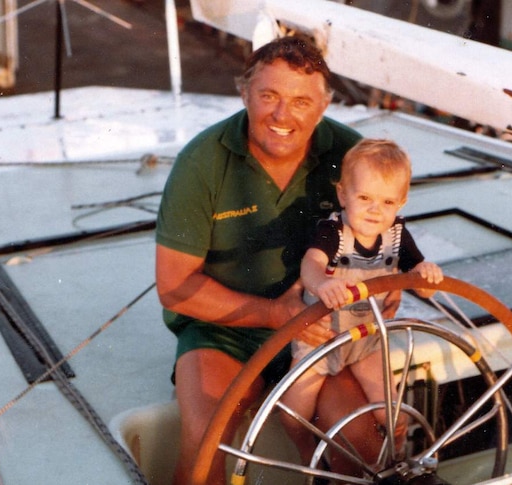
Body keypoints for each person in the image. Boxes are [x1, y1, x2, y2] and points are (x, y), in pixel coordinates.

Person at [155, 34, 390, 484]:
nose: (283, 116)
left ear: (324, 105)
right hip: (224, 331)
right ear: (244, 93)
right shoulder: (201, 163)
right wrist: (276, 313)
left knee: (361, 440)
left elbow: (382, 245)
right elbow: (174, 286)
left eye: (302, 101)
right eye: (269, 96)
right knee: (207, 436)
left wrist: (382, 294)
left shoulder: (354, 155)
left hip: (323, 329)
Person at [280, 138, 444, 465]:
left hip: (367, 340)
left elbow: (422, 287)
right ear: (343, 195)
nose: (374, 209)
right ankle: (303, 448)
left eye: (386, 201)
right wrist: (323, 283)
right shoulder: (333, 233)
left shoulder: (397, 235)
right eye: (365, 197)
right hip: (321, 340)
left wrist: (425, 272)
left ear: (401, 202)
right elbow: (310, 265)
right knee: (295, 408)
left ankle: (396, 462)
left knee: (394, 413)